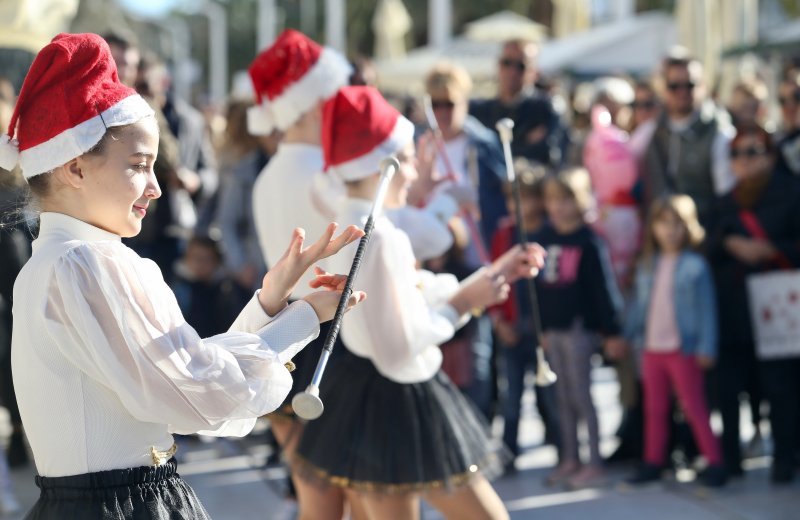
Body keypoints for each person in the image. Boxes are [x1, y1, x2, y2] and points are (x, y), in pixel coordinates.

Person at [0, 33, 364, 518]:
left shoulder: (58, 260)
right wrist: (300, 320)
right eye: (138, 166)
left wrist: (270, 304)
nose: (154, 186)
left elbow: (182, 371)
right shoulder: (85, 262)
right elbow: (195, 392)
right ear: (75, 169)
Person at [295, 86, 545, 520]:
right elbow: (398, 345)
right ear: (383, 167)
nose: (415, 173)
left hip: (362, 393)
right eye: (408, 159)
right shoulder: (380, 235)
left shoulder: (351, 221)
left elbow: (404, 293)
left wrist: (493, 273)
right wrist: (463, 303)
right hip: (398, 395)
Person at [708, 125, 800, 483]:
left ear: (770, 155)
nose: (743, 160)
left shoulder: (791, 194)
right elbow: (707, 246)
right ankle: (729, 460)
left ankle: (783, 458)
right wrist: (731, 245)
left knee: (780, 387)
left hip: (778, 309)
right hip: (733, 311)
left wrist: (773, 250)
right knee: (729, 387)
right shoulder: (726, 200)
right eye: (737, 153)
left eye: (752, 151)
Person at [624, 195, 726, 487]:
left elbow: (707, 310)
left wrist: (707, 346)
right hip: (651, 348)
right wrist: (625, 335)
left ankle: (715, 462)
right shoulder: (647, 265)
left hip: (683, 349)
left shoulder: (696, 266)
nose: (669, 230)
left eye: (677, 224)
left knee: (694, 406)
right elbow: (638, 308)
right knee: (654, 408)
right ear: (653, 227)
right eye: (663, 223)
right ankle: (653, 461)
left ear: (688, 227)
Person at [537, 168, 626, 490]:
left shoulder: (590, 241)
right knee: (561, 397)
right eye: (552, 201)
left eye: (566, 200)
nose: (558, 208)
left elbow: (604, 288)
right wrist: (541, 329)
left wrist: (613, 330)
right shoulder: (545, 238)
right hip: (554, 332)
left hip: (579, 329)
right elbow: (540, 289)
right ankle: (570, 458)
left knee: (582, 396)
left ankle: (595, 462)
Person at [489, 159, 560, 469]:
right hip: (513, 327)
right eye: (512, 197)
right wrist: (498, 321)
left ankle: (561, 445)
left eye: (527, 196)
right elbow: (491, 278)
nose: (518, 204)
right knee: (512, 394)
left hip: (544, 329)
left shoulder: (551, 232)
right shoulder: (505, 234)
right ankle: (509, 451)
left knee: (550, 395)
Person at [642, 49, 736, 226]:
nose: (682, 92)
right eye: (674, 86)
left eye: (690, 85)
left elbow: (725, 197)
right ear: (663, 88)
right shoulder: (654, 128)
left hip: (703, 230)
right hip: (662, 233)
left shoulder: (719, 131)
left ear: (703, 86)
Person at [470, 39, 565, 166]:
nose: (512, 72)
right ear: (498, 65)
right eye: (507, 63)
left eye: (521, 66)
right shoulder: (479, 110)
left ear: (535, 72)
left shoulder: (545, 108)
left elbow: (547, 152)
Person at [172, 234, 252, 338]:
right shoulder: (176, 290)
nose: (201, 264)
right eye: (196, 258)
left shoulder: (227, 289)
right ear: (186, 258)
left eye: (207, 259)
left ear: (216, 262)